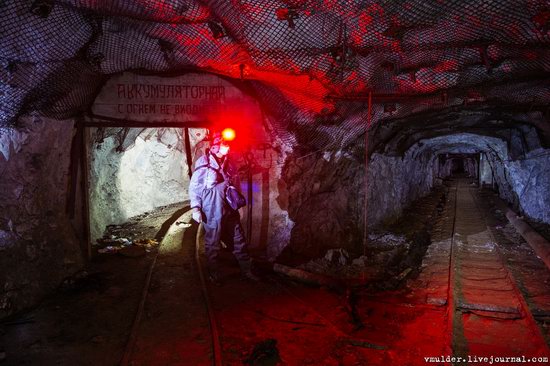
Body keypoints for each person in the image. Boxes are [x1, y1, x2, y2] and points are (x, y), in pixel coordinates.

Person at [188, 131, 259, 284]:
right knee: (213, 243)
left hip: (228, 207)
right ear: (214, 147)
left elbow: (234, 184)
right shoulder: (204, 163)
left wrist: (237, 202)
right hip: (212, 207)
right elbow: (195, 186)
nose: (227, 148)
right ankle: (214, 273)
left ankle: (247, 270)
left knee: (238, 239)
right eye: (224, 145)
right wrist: (196, 208)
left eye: (228, 145)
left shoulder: (229, 163)